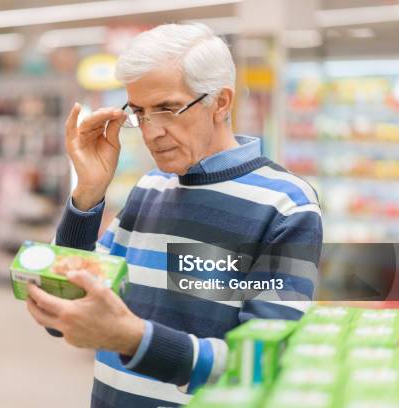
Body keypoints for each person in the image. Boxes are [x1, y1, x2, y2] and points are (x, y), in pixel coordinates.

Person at [25, 23, 322, 408]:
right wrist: (86, 195)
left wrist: (133, 339)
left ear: (221, 102)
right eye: (140, 113)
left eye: (166, 108)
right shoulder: (151, 188)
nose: (151, 132)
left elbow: (263, 365)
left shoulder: (286, 205)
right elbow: (64, 309)